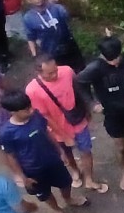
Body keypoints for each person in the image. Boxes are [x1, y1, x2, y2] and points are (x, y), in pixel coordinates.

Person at [0, 91, 87, 213]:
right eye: (26, 109)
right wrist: (22, 176)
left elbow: (47, 133)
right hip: (32, 169)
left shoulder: (36, 116)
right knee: (44, 193)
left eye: (30, 106)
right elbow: (10, 155)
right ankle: (57, 211)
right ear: (12, 112)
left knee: (66, 182)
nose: (31, 110)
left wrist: (60, 151)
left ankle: (68, 199)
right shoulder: (6, 133)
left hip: (52, 160)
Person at [26, 54, 108, 194]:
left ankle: (89, 178)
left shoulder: (67, 71)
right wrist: (64, 135)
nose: (55, 75)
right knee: (67, 152)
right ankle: (75, 170)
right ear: (38, 73)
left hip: (77, 120)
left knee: (86, 150)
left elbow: (79, 92)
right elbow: (45, 116)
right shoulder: (32, 90)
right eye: (50, 73)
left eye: (56, 70)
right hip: (57, 128)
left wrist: (87, 114)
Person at [76, 37, 124, 190]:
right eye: (111, 60)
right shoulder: (95, 68)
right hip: (111, 112)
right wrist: (92, 103)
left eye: (117, 58)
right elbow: (79, 83)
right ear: (103, 56)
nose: (115, 62)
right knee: (120, 145)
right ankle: (123, 170)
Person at [23, 0, 84, 72]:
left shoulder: (56, 7)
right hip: (51, 52)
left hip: (69, 46)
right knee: (62, 74)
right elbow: (30, 38)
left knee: (80, 69)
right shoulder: (28, 18)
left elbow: (72, 16)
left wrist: (63, 2)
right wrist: (35, 56)